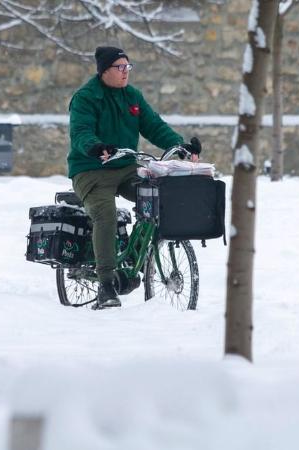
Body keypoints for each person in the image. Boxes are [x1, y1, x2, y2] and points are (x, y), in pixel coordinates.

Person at [68, 46, 202, 310]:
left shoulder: (132, 96)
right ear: (104, 71)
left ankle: (134, 257)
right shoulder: (86, 97)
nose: (125, 72)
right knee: (105, 215)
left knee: (158, 195)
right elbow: (80, 131)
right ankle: (106, 285)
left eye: (128, 67)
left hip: (126, 168)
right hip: (91, 169)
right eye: (119, 67)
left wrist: (179, 145)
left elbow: (154, 126)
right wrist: (95, 146)